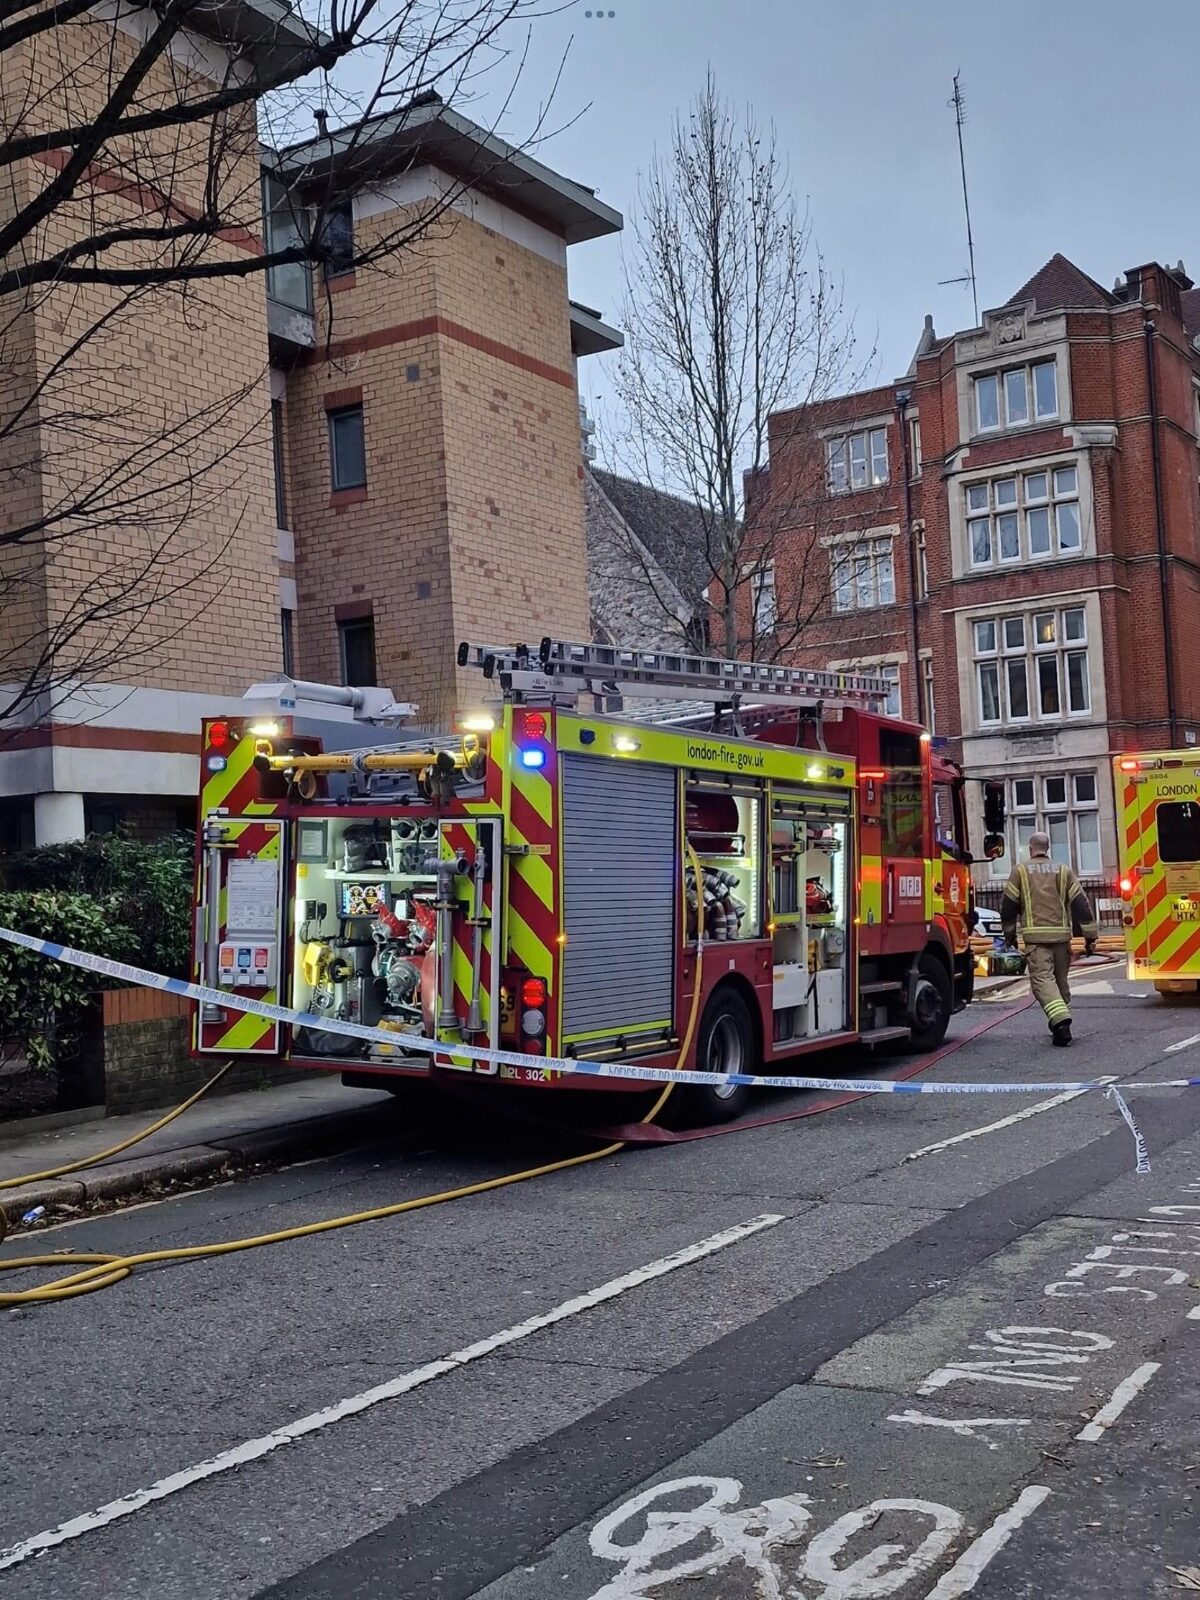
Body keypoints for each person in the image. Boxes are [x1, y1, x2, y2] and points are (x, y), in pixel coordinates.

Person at [1000, 832, 1099, 1046]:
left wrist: (1009, 936)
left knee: (1042, 982)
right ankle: (1061, 1028)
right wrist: (1090, 937)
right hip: (1062, 939)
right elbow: (1082, 905)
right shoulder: (1063, 870)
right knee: (1060, 984)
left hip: (1037, 940)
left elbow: (1007, 907)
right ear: (1048, 848)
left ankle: (1061, 1021)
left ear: (1030, 848)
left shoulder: (1021, 871)